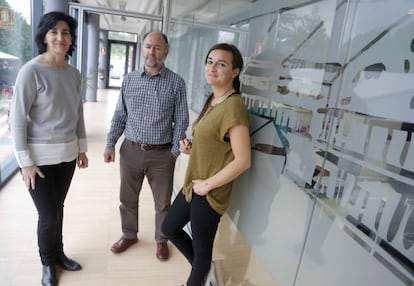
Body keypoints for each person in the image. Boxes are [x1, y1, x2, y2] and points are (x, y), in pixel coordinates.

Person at [9, 11, 88, 286]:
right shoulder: (31, 70)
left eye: (65, 32)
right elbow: (16, 119)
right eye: (54, 31)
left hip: (66, 156)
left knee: (59, 208)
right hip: (38, 160)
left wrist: (81, 148)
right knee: (49, 214)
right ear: (44, 36)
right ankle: (47, 263)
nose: (60, 37)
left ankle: (59, 255)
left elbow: (77, 113)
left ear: (71, 39)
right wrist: (25, 162)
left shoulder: (74, 74)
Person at [161, 43, 251, 286]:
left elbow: (243, 160)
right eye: (209, 61)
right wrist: (192, 146)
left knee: (202, 250)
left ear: (235, 72)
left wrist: (208, 185)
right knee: (169, 228)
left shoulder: (234, 107)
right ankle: (203, 271)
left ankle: (198, 277)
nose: (212, 67)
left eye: (221, 63)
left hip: (210, 191)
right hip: (194, 184)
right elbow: (216, 142)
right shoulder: (213, 98)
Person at [104, 31, 189, 260]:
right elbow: (120, 115)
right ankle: (129, 234)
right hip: (130, 150)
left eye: (158, 47)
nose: (152, 51)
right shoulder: (129, 80)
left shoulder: (176, 83)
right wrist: (110, 143)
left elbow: (181, 120)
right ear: (142, 48)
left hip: (162, 155)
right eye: (148, 46)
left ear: (166, 52)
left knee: (162, 204)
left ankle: (162, 240)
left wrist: (173, 153)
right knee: (127, 199)